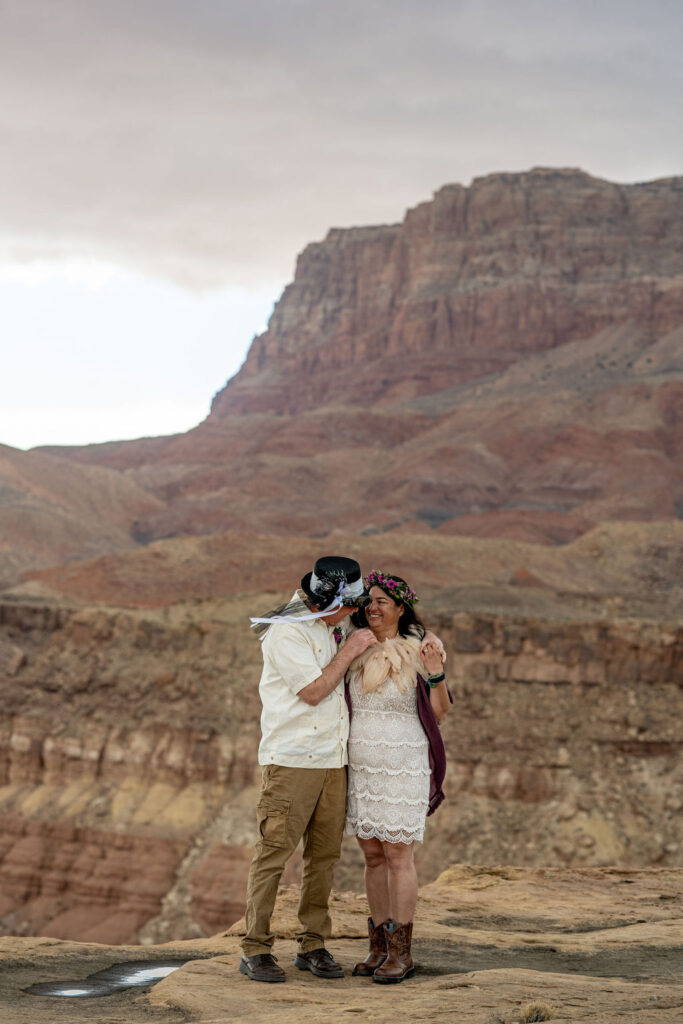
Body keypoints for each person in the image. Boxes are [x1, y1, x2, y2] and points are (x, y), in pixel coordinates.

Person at [239, 556, 378, 983]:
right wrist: (352, 648)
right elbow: (314, 691)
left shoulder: (328, 626)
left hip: (333, 759)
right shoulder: (286, 632)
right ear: (329, 601)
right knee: (274, 853)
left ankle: (313, 944)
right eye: (350, 605)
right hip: (293, 760)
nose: (354, 613)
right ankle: (255, 948)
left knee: (324, 857)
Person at [345, 570, 451, 984]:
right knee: (372, 855)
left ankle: (401, 953)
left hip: (403, 764)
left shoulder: (421, 649)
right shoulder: (353, 648)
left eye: (381, 601)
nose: (371, 607)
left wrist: (436, 669)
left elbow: (440, 713)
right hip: (362, 767)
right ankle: (377, 947)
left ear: (400, 608)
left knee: (397, 856)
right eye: (367, 601)